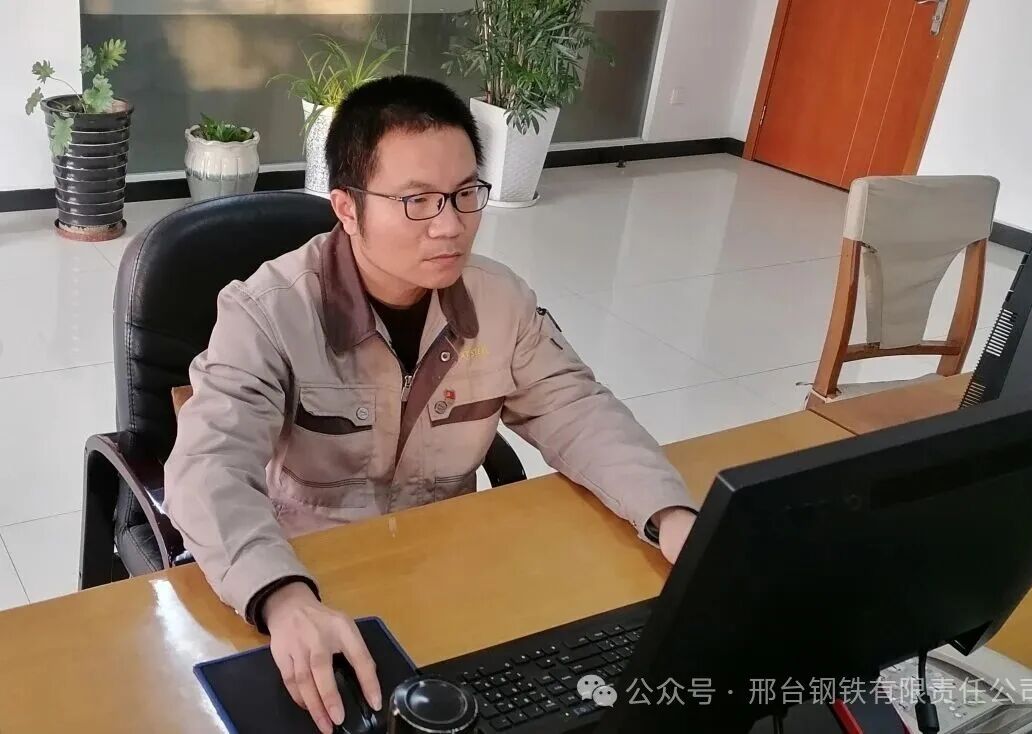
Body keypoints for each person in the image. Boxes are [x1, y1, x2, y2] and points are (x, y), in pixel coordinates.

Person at [164, 75, 697, 734]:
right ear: (347, 207)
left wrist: (670, 515)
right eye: (417, 201)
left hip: (449, 576)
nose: (450, 226)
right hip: (309, 576)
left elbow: (576, 408)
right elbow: (207, 466)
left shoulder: (501, 301)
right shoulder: (268, 312)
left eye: (465, 194)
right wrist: (281, 596)